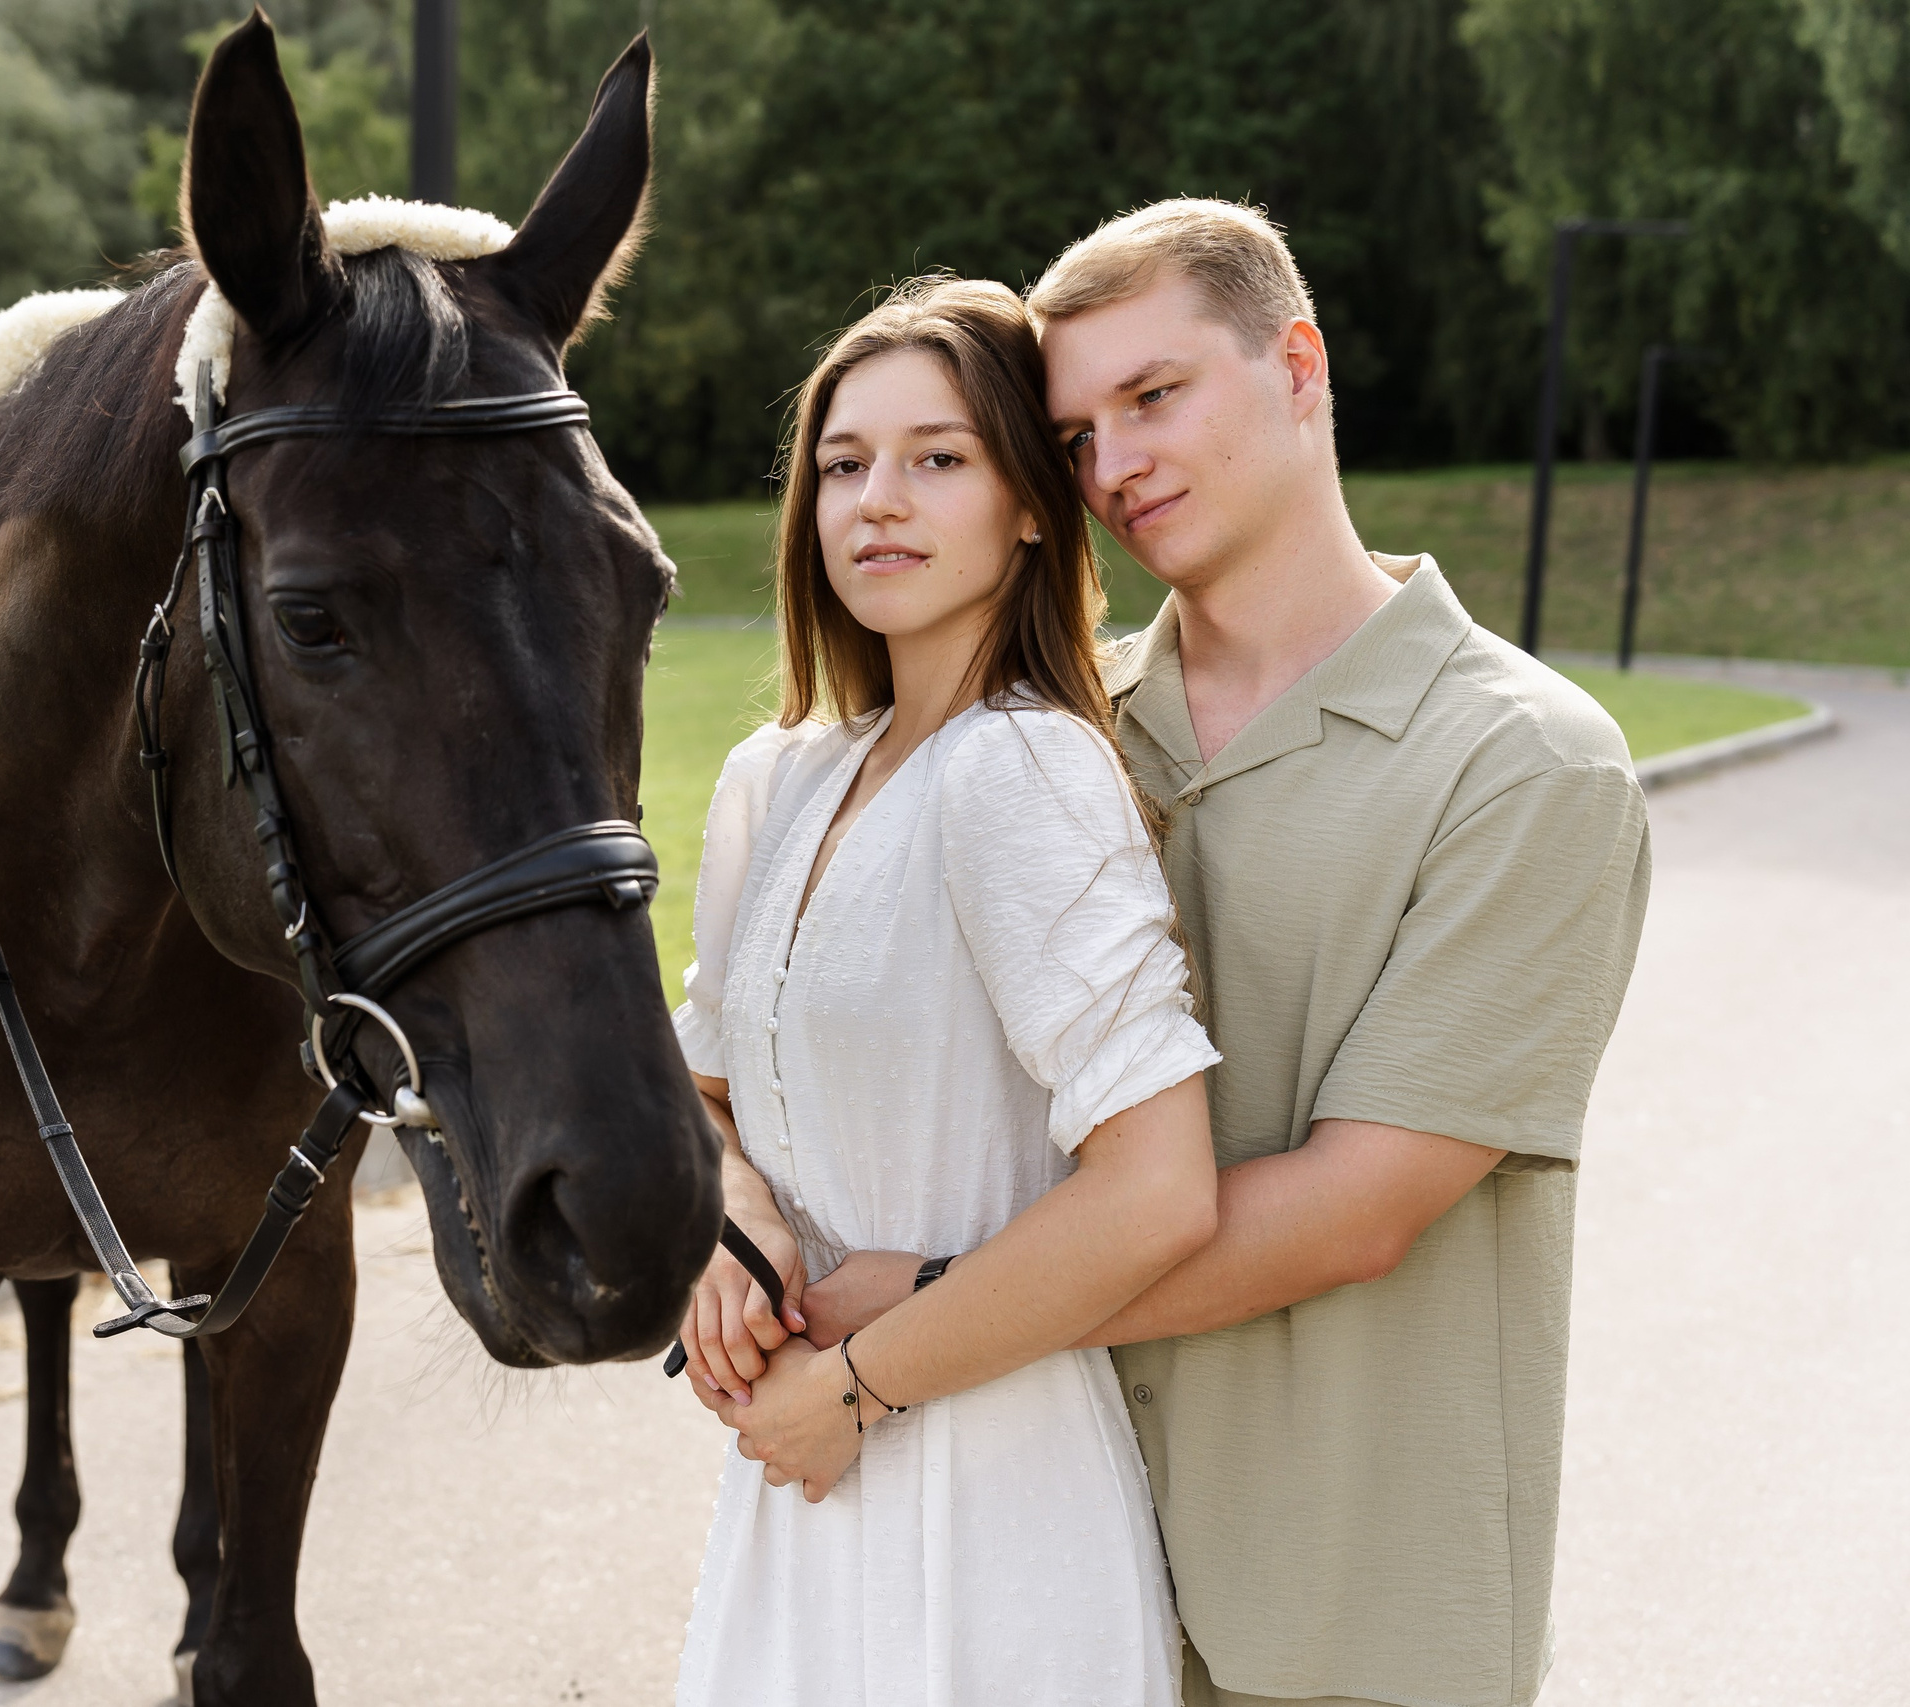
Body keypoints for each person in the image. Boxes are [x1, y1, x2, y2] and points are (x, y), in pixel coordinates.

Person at [814, 201, 1653, 1707]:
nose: (1114, 468)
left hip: (1346, 1618)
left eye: (1154, 397)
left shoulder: (1526, 768)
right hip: (1046, 1576)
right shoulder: (1049, 742)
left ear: (1300, 365)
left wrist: (924, 1310)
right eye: (1073, 437)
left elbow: (1353, 1212)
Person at [669, 275, 1224, 1706]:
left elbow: (1158, 1189)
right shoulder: (776, 782)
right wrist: (731, 1226)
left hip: (989, 1495)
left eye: (938, 459)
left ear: (1032, 506)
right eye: (845, 466)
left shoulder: (1024, 767)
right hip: (792, 1481)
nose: (877, 503)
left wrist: (857, 1392)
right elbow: (705, 1088)